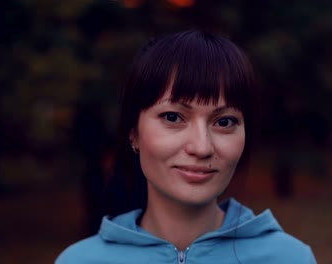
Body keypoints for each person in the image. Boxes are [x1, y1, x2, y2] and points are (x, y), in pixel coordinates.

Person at [56, 30, 316, 263]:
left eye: (224, 121)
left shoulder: (290, 259)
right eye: (173, 117)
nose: (201, 147)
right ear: (133, 133)